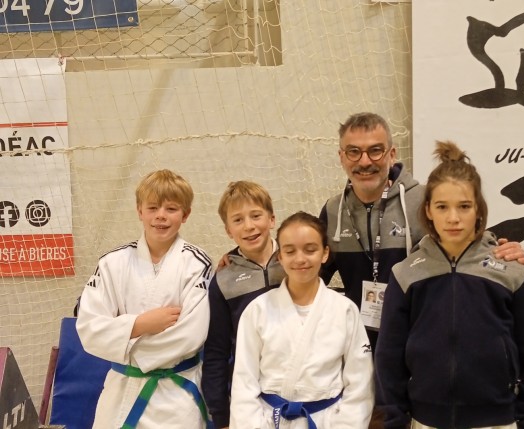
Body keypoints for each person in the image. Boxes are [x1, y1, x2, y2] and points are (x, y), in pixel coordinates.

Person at [374, 141, 524, 429]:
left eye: (464, 206)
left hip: (498, 420)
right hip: (426, 420)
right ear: (428, 210)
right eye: (442, 207)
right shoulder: (405, 274)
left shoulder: (512, 271)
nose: (453, 218)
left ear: (479, 210)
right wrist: (396, 420)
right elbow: (389, 356)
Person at [319, 112, 524, 348]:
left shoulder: (424, 201)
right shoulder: (333, 210)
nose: (365, 161)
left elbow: (469, 244)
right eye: (354, 152)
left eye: (375, 150)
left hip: (420, 342)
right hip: (357, 346)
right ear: (341, 157)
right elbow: (312, 274)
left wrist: (501, 253)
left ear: (392, 154)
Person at [76, 169, 213, 429]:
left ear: (185, 214)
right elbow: (89, 329)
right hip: (121, 393)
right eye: (152, 207)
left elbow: (191, 334)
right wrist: (140, 324)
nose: (161, 215)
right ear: (140, 210)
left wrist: (124, 340)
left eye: (171, 209)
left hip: (176, 397)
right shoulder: (112, 263)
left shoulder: (197, 263)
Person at [230, 211, 374, 429]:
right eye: (290, 251)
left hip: (327, 420)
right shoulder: (258, 310)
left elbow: (360, 382)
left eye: (310, 249)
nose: (300, 259)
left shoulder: (345, 310)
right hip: (270, 420)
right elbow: (244, 382)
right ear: (280, 257)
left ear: (325, 253)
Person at [202, 181, 284, 429]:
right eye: (238, 220)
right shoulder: (223, 280)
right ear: (228, 230)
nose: (248, 226)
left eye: (256, 216)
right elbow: (216, 350)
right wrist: (221, 416)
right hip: (249, 396)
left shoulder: (295, 261)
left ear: (271, 219)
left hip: (300, 387)